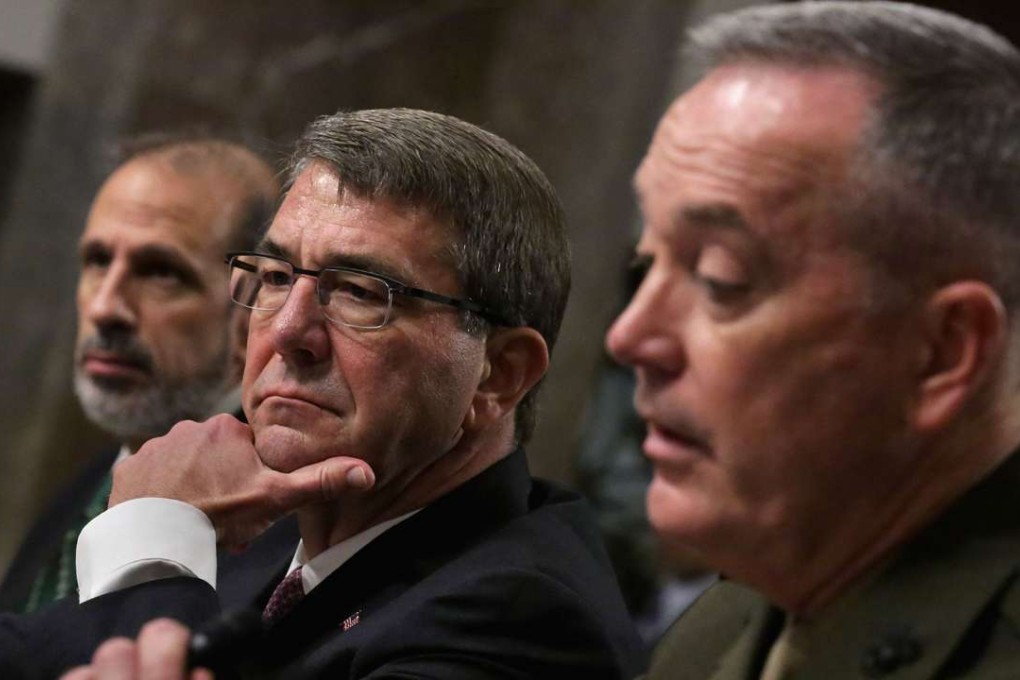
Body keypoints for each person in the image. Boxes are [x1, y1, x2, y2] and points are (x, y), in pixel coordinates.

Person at [30, 108, 644, 678]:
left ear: (498, 373)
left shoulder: (522, 625)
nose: (288, 331)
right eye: (275, 277)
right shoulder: (269, 540)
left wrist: (152, 544)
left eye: (358, 291)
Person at [604, 2, 1020, 677]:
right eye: (646, 265)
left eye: (721, 280)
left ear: (941, 351)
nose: (630, 338)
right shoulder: (719, 627)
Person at [0, 134, 289, 615]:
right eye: (97, 260)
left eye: (161, 272)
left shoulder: (274, 518)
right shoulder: (95, 480)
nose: (106, 307)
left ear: (254, 301)